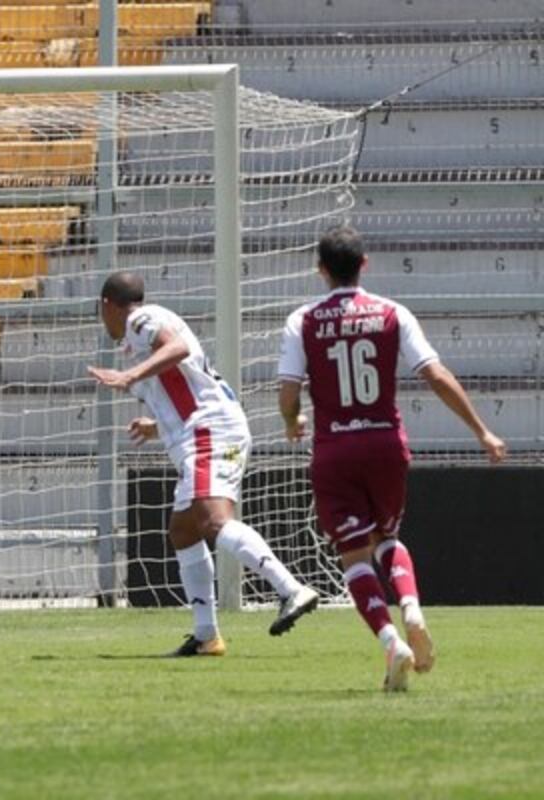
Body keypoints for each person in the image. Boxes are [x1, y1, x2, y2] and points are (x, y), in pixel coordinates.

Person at [278, 225, 506, 691]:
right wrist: (481, 429)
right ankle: (413, 610)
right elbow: (435, 374)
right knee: (387, 536)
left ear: (320, 269)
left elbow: (287, 391)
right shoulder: (392, 313)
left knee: (353, 556)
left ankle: (390, 641)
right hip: (385, 444)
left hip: (335, 448)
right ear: (365, 264)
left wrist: (292, 420)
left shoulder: (302, 320)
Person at [89, 272, 319, 657]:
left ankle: (291, 590)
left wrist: (128, 376)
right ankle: (206, 635)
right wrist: (156, 426)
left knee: (213, 520)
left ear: (106, 306)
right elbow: (184, 388)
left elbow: (176, 348)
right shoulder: (136, 336)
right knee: (183, 530)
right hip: (199, 431)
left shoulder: (139, 320)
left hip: (209, 432)